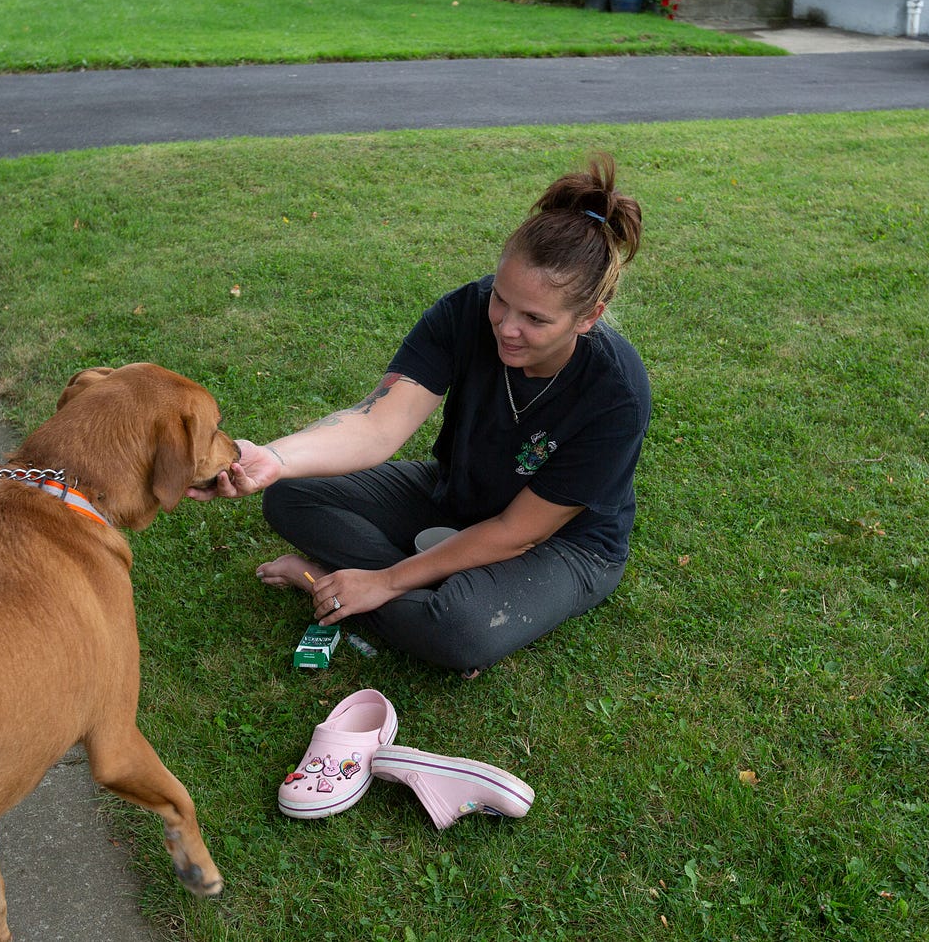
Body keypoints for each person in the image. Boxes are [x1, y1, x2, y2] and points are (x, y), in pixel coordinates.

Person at [190, 153, 650, 677]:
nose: (505, 327)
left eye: (535, 318)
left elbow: (518, 532)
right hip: (455, 496)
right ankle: (410, 595)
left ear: (588, 316)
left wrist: (385, 581)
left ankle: (325, 581)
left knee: (461, 632)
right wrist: (273, 457)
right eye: (501, 300)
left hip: (564, 545)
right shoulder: (467, 311)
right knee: (293, 492)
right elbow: (376, 423)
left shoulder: (615, 393)